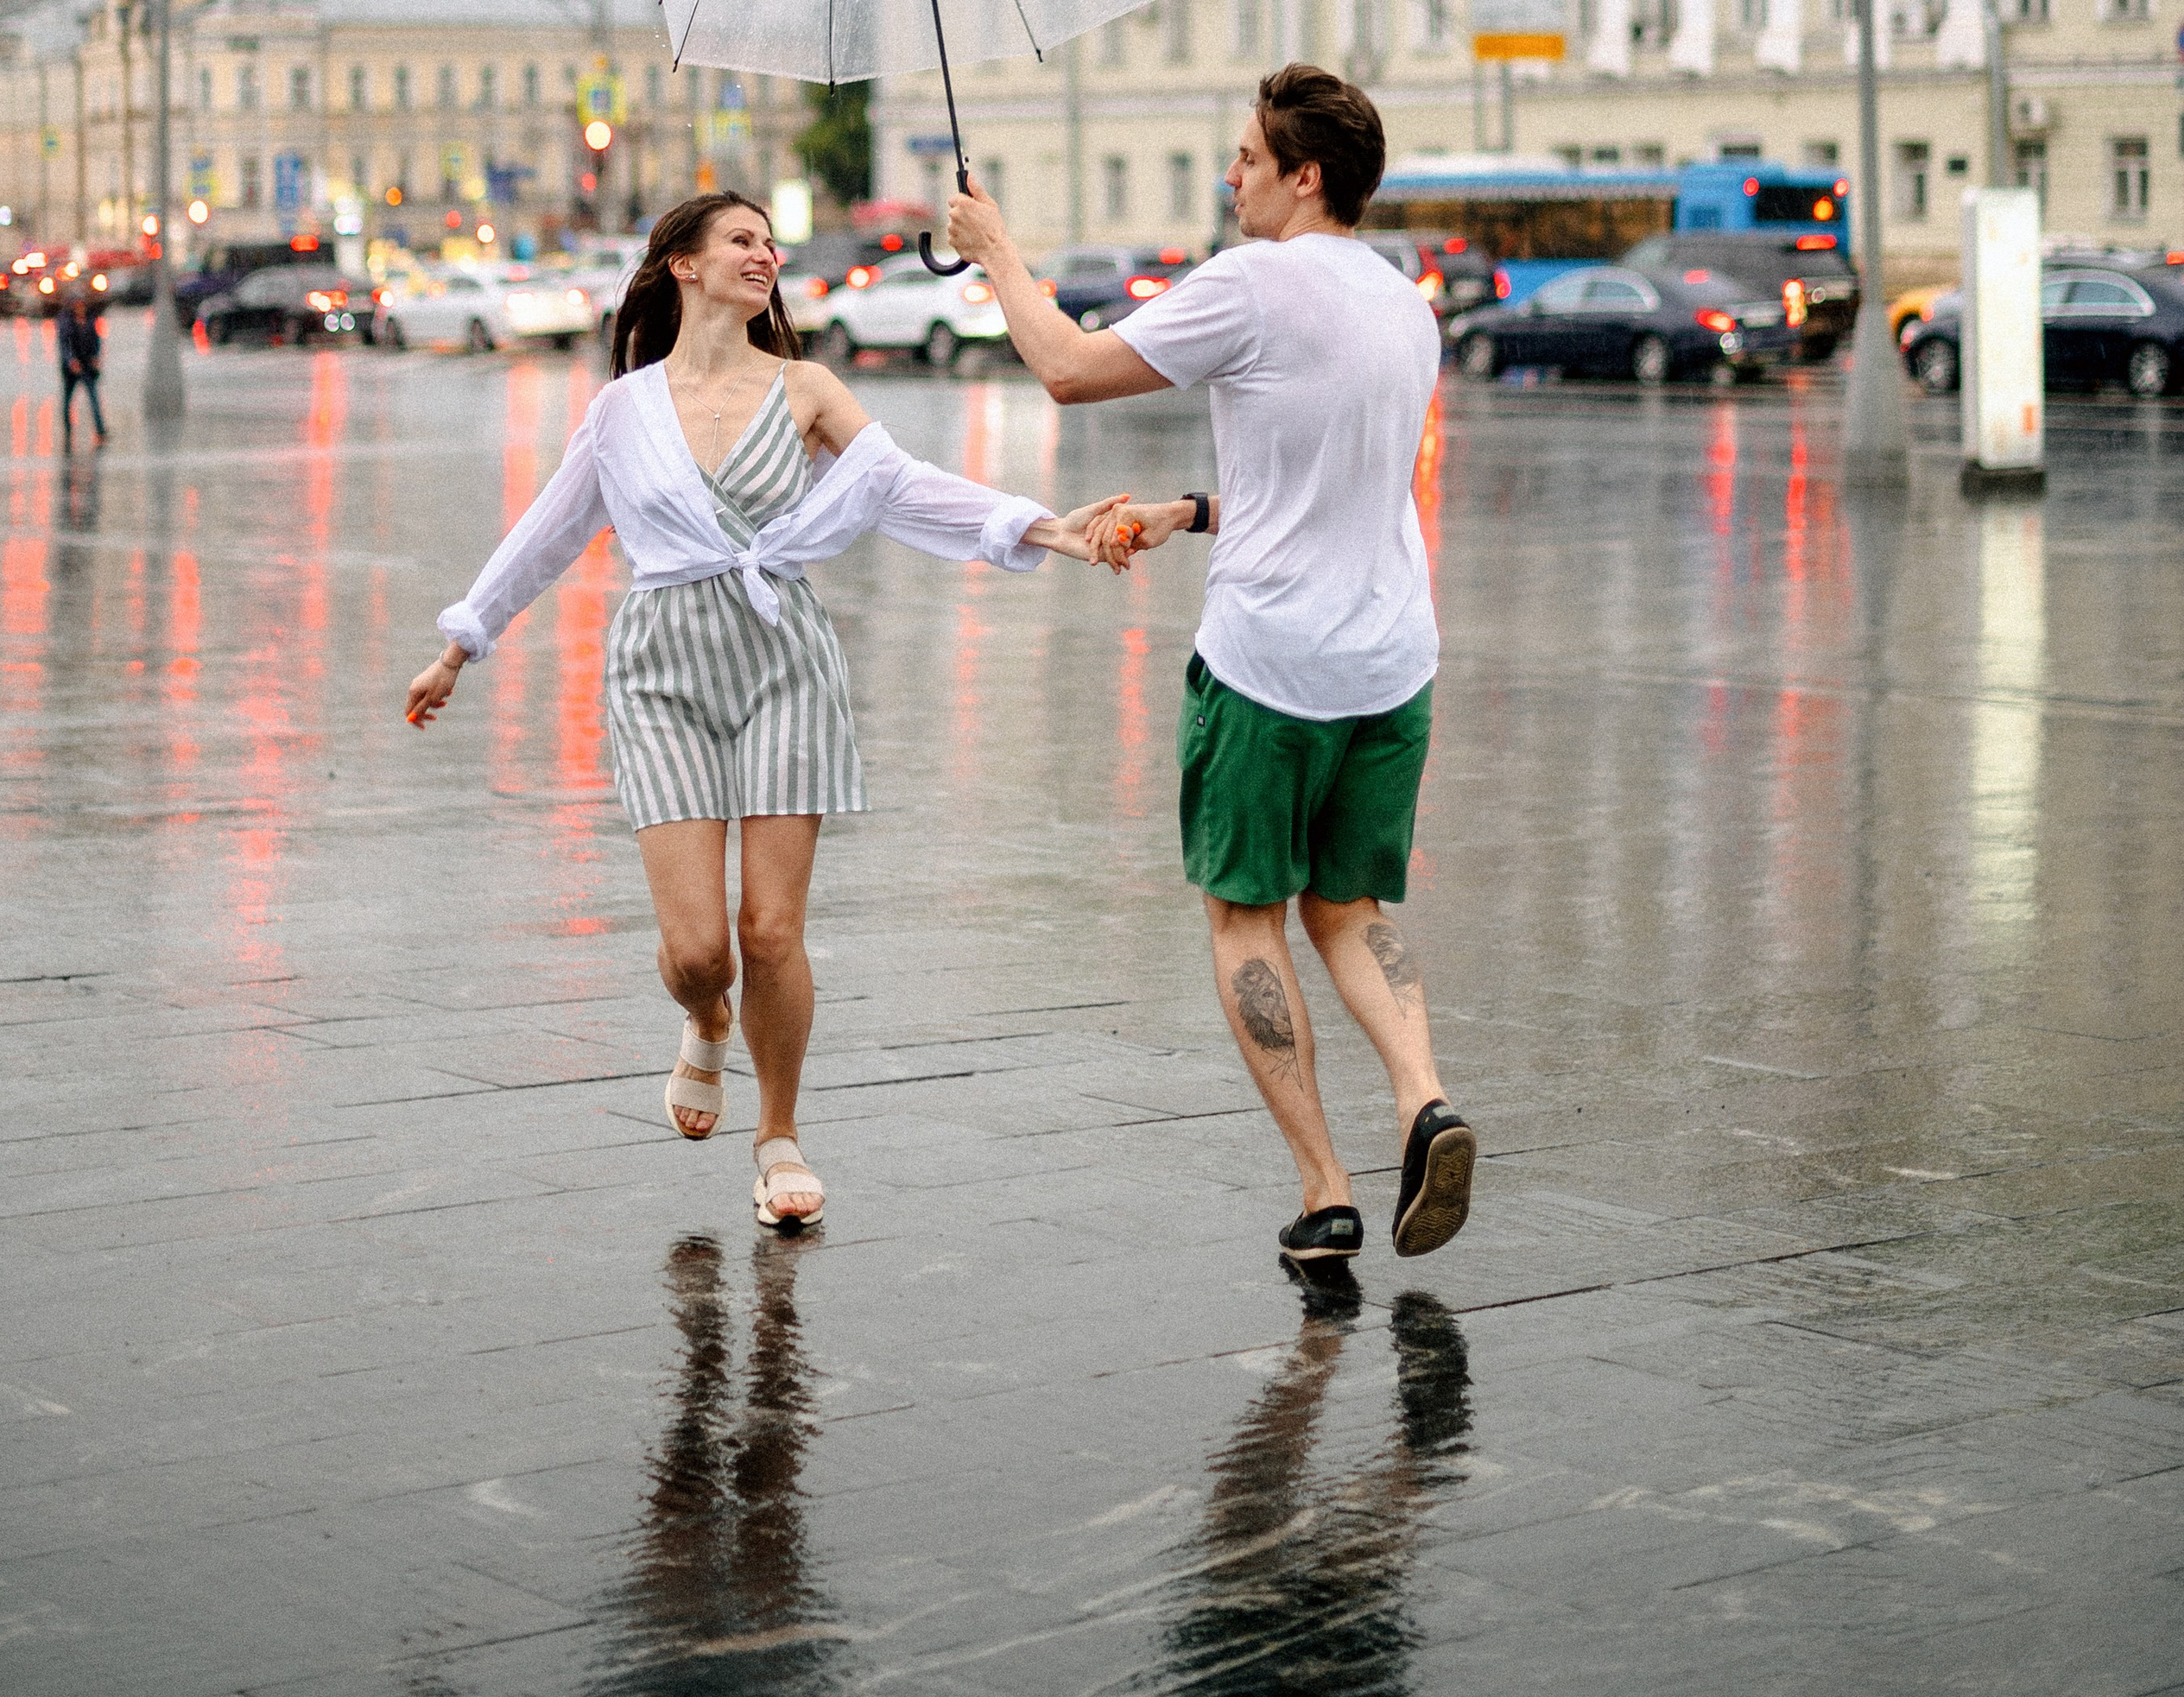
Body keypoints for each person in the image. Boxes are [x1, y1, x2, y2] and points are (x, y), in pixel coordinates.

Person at [405, 189, 1102, 1230]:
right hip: (662, 670)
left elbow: (902, 486)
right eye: (741, 238)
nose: (764, 253)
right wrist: (463, 641)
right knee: (700, 952)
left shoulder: (807, 386)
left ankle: (779, 1133)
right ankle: (705, 1018)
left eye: (769, 241)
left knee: (771, 928)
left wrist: (1044, 529)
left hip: (784, 658)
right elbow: (548, 530)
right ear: (682, 264)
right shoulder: (623, 409)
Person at [947, 62, 1474, 1271]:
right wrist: (1193, 508)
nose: (1231, 175)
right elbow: (1326, 491)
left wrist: (995, 248)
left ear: (1305, 175)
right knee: (1349, 908)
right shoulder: (1407, 308)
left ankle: (1326, 1188)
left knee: (1248, 917)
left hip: (1271, 666)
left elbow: (1069, 371)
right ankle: (1425, 1103)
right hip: (1391, 663)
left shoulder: (1255, 284)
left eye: (1246, 156)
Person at [55, 286, 107, 446]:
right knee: (67, 400)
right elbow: (64, 344)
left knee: (93, 398)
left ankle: (100, 430)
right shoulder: (66, 321)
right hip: (72, 368)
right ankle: (68, 429)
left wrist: (95, 357)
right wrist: (71, 361)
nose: (80, 307)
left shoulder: (90, 319)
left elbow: (96, 340)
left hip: (87, 366)